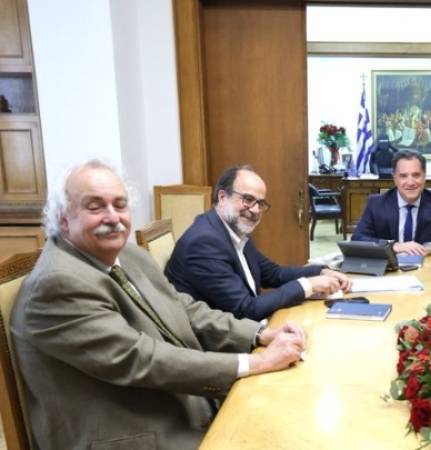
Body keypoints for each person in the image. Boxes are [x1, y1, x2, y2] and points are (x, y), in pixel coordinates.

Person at [11, 160, 308, 449]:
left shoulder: (129, 254)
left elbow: (184, 308)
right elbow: (141, 358)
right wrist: (256, 363)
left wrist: (259, 334)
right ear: (63, 218)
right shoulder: (56, 284)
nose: (113, 217)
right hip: (135, 431)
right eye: (95, 207)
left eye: (120, 205)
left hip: (179, 403)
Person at [165, 165, 351, 321]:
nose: (255, 210)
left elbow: (273, 274)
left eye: (260, 203)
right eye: (247, 199)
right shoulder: (204, 242)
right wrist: (308, 285)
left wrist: (320, 271)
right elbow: (246, 309)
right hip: (218, 344)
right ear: (222, 197)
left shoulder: (234, 229)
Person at [351, 150, 431, 256]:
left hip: (427, 267)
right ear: (395, 179)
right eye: (403, 176)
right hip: (389, 268)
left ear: (424, 177)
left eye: (416, 175)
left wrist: (429, 247)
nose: (410, 182)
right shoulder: (376, 203)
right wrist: (393, 246)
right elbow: (358, 238)